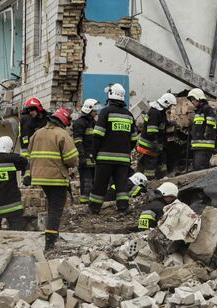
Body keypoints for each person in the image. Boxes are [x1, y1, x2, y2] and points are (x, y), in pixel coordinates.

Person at [27, 108, 78, 250]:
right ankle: (50, 241)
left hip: (39, 177)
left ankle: (51, 234)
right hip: (56, 178)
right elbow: (71, 159)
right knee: (56, 208)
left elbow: (29, 153)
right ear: (63, 122)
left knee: (51, 205)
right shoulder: (62, 134)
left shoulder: (37, 133)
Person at [89, 83, 138, 214]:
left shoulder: (105, 112)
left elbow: (97, 135)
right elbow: (134, 139)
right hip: (123, 159)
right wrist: (125, 150)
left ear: (110, 96)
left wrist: (94, 153)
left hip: (104, 158)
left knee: (100, 184)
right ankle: (123, 208)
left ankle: (94, 209)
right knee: (121, 185)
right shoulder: (129, 115)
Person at [136, 93, 176, 179]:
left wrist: (170, 124)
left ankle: (162, 177)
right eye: (171, 105)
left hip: (156, 143)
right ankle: (149, 181)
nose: (170, 107)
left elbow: (161, 124)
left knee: (162, 159)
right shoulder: (154, 112)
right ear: (166, 103)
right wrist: (154, 143)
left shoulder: (161, 112)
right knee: (151, 163)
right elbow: (152, 130)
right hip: (149, 144)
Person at [72, 98, 99, 203]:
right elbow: (78, 141)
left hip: (94, 158)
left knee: (95, 181)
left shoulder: (93, 122)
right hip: (85, 157)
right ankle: (84, 203)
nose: (96, 112)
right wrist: (82, 156)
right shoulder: (80, 123)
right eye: (94, 110)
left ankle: (93, 202)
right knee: (86, 181)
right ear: (89, 110)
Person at [187, 89, 217, 172]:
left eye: (193, 99)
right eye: (191, 100)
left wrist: (208, 131)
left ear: (199, 98)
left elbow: (211, 120)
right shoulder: (199, 111)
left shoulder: (206, 109)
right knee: (197, 168)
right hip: (198, 146)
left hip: (204, 146)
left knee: (200, 169)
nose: (192, 102)